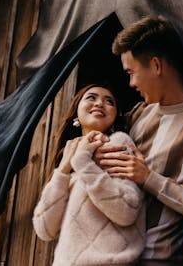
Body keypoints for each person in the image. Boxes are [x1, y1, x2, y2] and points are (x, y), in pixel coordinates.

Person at [96, 15, 183, 265]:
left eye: (131, 73)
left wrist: (148, 178)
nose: (130, 83)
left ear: (156, 66)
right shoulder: (138, 115)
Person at [33, 84, 146, 266]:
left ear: (116, 115)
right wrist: (63, 169)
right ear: (76, 113)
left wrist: (83, 162)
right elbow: (45, 229)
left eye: (109, 101)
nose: (100, 103)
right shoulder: (70, 156)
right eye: (91, 97)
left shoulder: (118, 144)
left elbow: (126, 211)